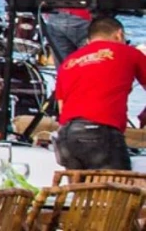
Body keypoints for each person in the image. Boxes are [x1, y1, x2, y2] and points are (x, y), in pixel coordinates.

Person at [51, 16, 146, 170]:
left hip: (66, 137)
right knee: (117, 190)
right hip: (99, 132)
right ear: (119, 34)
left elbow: (62, 107)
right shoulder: (128, 52)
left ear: (89, 40)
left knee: (80, 191)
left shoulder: (69, 62)